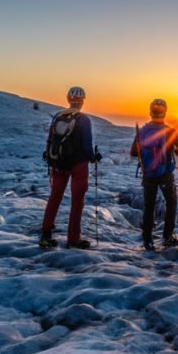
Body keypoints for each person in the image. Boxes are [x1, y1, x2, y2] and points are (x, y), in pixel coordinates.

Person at [40, 86, 102, 249]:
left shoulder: (58, 116)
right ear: (82, 102)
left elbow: (50, 139)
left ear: (68, 99)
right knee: (77, 201)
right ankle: (73, 240)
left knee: (55, 197)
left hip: (58, 163)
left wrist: (51, 156)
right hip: (78, 165)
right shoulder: (83, 119)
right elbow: (87, 146)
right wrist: (94, 158)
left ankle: (46, 235)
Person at [130, 98, 178, 250]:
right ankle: (167, 237)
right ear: (165, 113)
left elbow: (133, 152)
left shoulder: (142, 131)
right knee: (171, 203)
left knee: (149, 206)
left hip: (148, 174)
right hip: (165, 174)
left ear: (151, 112)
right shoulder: (170, 131)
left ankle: (147, 240)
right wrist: (173, 151)